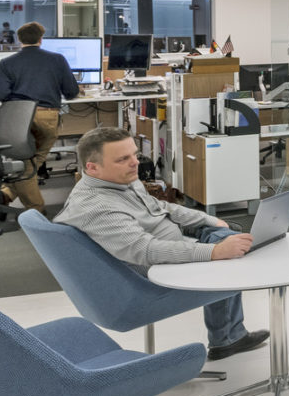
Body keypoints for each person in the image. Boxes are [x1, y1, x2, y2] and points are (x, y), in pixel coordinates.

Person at [59, 127, 269, 361]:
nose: (134, 163)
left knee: (226, 235)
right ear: (92, 167)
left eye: (134, 155)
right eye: (123, 159)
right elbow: (147, 251)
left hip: (168, 243)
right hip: (150, 278)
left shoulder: (118, 180)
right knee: (229, 259)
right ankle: (228, 338)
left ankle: (229, 337)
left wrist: (209, 219)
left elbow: (160, 208)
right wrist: (215, 252)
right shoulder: (96, 207)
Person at [0, 21, 78, 215]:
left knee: (26, 162)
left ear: (19, 40)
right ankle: (36, 209)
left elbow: (1, 94)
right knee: (29, 163)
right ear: (41, 39)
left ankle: (6, 193)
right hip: (47, 115)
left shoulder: (6, 63)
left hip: (18, 117)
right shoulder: (57, 59)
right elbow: (71, 92)